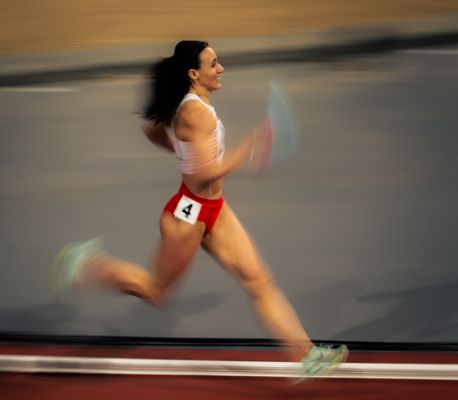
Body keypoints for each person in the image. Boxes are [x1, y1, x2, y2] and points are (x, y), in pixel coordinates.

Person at [52, 40, 347, 380]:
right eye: (214, 64)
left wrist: (181, 151)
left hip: (214, 209)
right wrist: (251, 146)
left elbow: (152, 130)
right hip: (186, 216)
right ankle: (87, 263)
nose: (221, 69)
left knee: (258, 278)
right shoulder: (195, 112)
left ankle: (308, 355)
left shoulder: (195, 105)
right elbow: (205, 173)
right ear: (194, 73)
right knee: (155, 291)